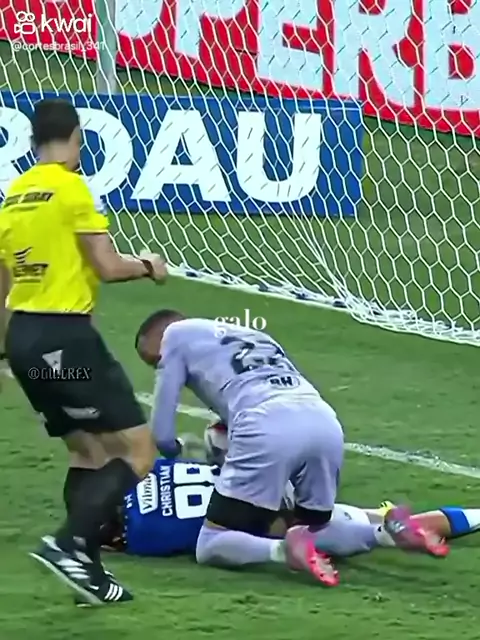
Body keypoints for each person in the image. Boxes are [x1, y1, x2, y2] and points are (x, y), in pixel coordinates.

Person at [135, 313, 447, 588]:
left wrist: (177, 451)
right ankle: (386, 532)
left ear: (162, 336)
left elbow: (162, 436)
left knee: (212, 543)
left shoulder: (175, 336)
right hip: (324, 422)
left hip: (264, 425)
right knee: (313, 527)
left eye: (155, 361)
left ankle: (283, 551)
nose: (159, 366)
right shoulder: (254, 335)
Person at [0, 98, 167, 606]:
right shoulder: (72, 188)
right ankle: (69, 544)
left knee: (87, 451)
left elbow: (4, 281)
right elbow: (107, 266)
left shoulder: (13, 196)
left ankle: (86, 571)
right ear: (76, 138)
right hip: (65, 341)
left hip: (23, 340)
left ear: (32, 142)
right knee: (138, 450)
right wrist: (148, 265)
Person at [99, 456, 479, 557]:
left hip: (260, 515)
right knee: (364, 516)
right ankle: (386, 525)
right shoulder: (155, 469)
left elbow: (180, 542)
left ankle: (381, 534)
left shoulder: (143, 536)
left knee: (360, 531)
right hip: (273, 471)